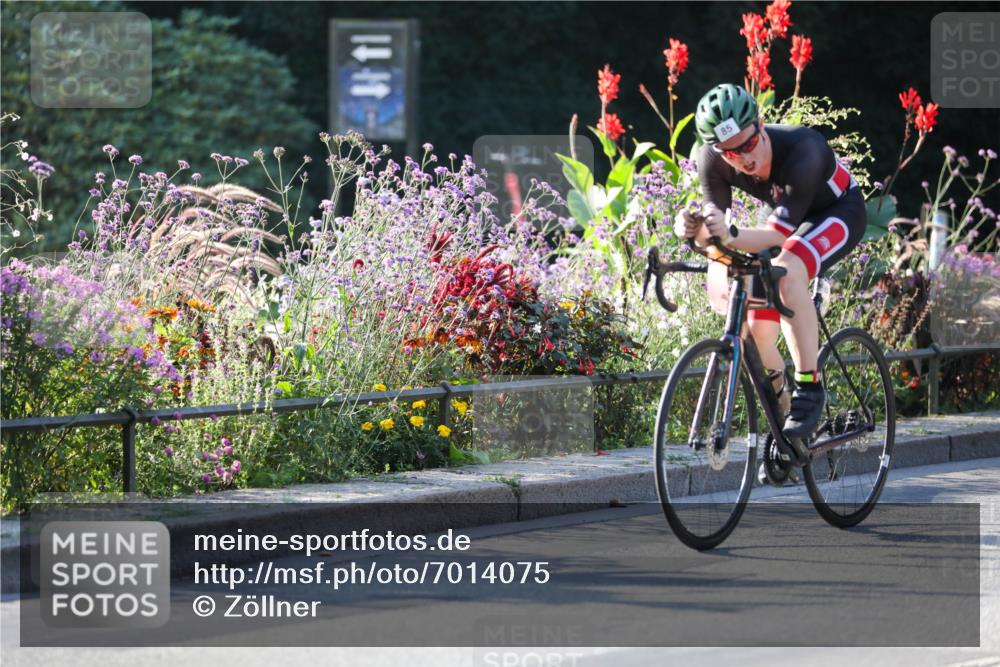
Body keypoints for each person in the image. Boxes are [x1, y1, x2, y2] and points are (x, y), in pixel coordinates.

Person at [673, 83, 866, 441]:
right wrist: (693, 229)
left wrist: (727, 234)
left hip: (836, 212)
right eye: (730, 153)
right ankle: (787, 428)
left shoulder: (803, 149)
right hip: (783, 218)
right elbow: (717, 232)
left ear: (761, 125)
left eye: (748, 144)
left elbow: (777, 236)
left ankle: (810, 386)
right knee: (759, 330)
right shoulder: (712, 159)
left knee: (789, 273)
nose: (744, 159)